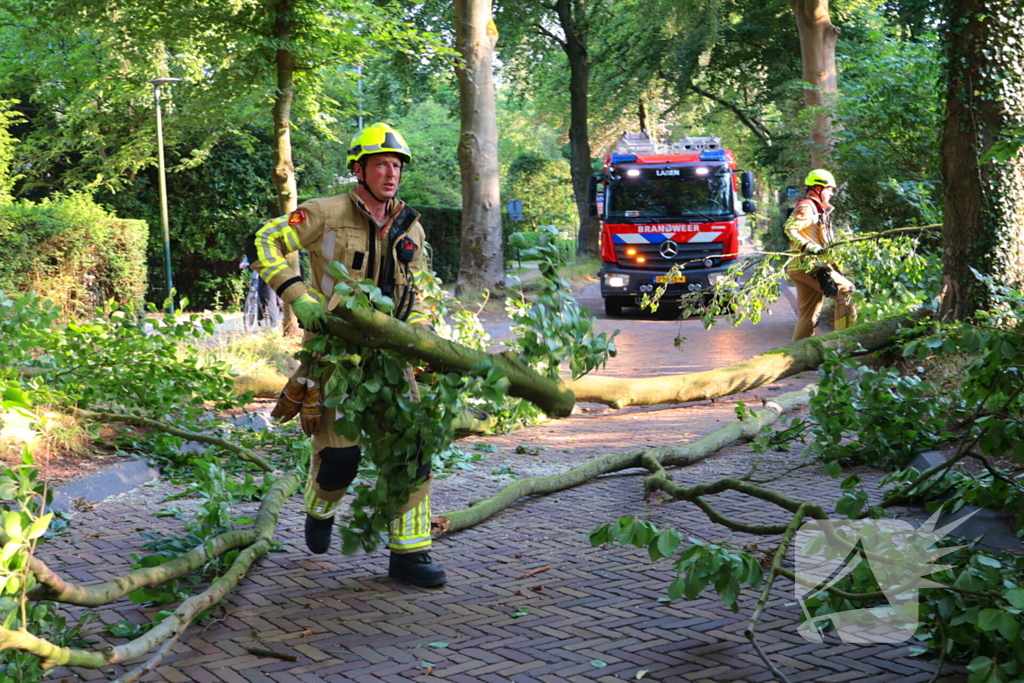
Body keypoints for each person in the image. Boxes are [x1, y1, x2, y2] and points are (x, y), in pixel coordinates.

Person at [244, 123, 445, 587]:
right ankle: (321, 508)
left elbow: (419, 290)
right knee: (340, 461)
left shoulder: (409, 224)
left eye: (396, 165)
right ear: (359, 169)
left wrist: (425, 340)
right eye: (380, 164)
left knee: (410, 452)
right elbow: (263, 241)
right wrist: (298, 295)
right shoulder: (323, 212)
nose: (390, 173)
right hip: (335, 357)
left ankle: (409, 556)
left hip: (391, 359)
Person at [783, 168, 857, 341]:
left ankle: (797, 354)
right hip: (810, 266)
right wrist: (809, 247)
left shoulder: (818, 209)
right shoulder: (807, 207)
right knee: (846, 293)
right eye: (829, 189)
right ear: (818, 188)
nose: (831, 194)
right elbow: (789, 229)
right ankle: (843, 347)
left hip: (801, 266)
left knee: (809, 312)